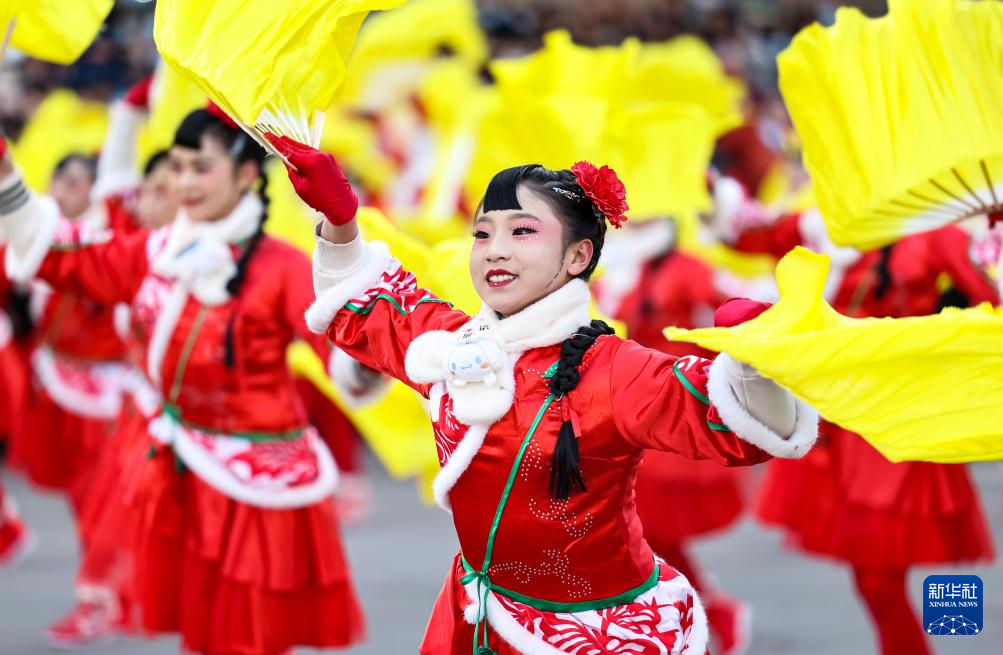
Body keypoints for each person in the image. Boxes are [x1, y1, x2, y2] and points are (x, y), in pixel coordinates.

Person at [272, 135, 819, 655]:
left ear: (578, 256)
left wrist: (752, 367)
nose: (495, 251)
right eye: (483, 234)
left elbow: (737, 424)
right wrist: (340, 222)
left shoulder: (614, 372)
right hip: (479, 616)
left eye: (522, 232)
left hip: (599, 631)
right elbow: (369, 306)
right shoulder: (450, 344)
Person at [0, 104, 364, 655]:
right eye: (177, 166)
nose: (184, 182)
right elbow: (60, 252)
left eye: (201, 167)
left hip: (256, 487)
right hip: (180, 469)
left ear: (246, 174)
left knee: (244, 640)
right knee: (202, 634)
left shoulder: (282, 267)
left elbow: (349, 356)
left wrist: (342, 235)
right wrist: (6, 171)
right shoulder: (156, 251)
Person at [714, 180, 998, 655]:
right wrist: (709, 192)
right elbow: (750, 239)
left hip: (898, 417)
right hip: (842, 423)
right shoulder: (824, 224)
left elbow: (991, 295)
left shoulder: (935, 234)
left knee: (885, 576)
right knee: (871, 578)